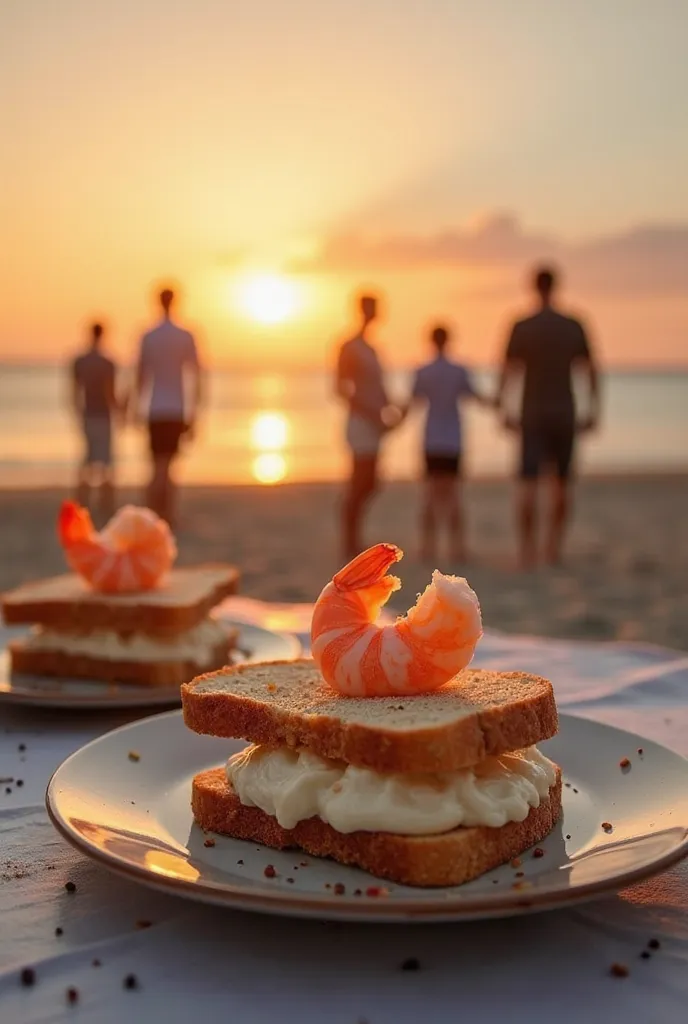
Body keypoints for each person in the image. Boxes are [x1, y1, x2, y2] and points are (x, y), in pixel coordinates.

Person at [497, 265, 600, 568]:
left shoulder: (523, 326)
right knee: (562, 484)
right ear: (555, 287)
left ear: (533, 287)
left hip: (533, 413)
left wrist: (503, 407)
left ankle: (527, 551)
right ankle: (552, 548)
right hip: (564, 411)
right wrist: (593, 409)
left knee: (528, 484)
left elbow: (509, 370)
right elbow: (590, 369)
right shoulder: (573, 325)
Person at [406, 324, 489, 562]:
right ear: (448, 340)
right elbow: (475, 397)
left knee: (430, 495)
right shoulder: (459, 370)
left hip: (432, 439)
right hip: (452, 440)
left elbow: (412, 402)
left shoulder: (423, 370)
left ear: (431, 341)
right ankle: (457, 549)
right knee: (453, 495)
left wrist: (389, 420)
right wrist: (497, 403)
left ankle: (428, 548)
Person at [133, 287, 203, 526]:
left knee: (156, 466)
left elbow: (141, 376)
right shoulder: (184, 335)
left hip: (155, 408)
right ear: (175, 301)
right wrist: (195, 412)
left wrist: (135, 408)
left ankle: (154, 515)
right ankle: (167, 515)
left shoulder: (149, 336)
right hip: (175, 408)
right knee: (169, 466)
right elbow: (196, 375)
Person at [335, 293, 392, 558]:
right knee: (361, 480)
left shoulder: (371, 348)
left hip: (375, 420)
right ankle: (350, 538)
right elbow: (341, 388)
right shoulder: (349, 346)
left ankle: (354, 534)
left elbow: (378, 387)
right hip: (361, 422)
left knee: (371, 482)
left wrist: (389, 410)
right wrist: (370, 412)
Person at [70, 322, 121, 518]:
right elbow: (110, 392)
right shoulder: (107, 362)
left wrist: (77, 413)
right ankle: (106, 504)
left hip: (88, 413)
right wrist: (119, 410)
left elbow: (74, 392)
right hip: (103, 414)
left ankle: (82, 502)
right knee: (106, 462)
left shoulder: (80, 361)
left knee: (87, 459)